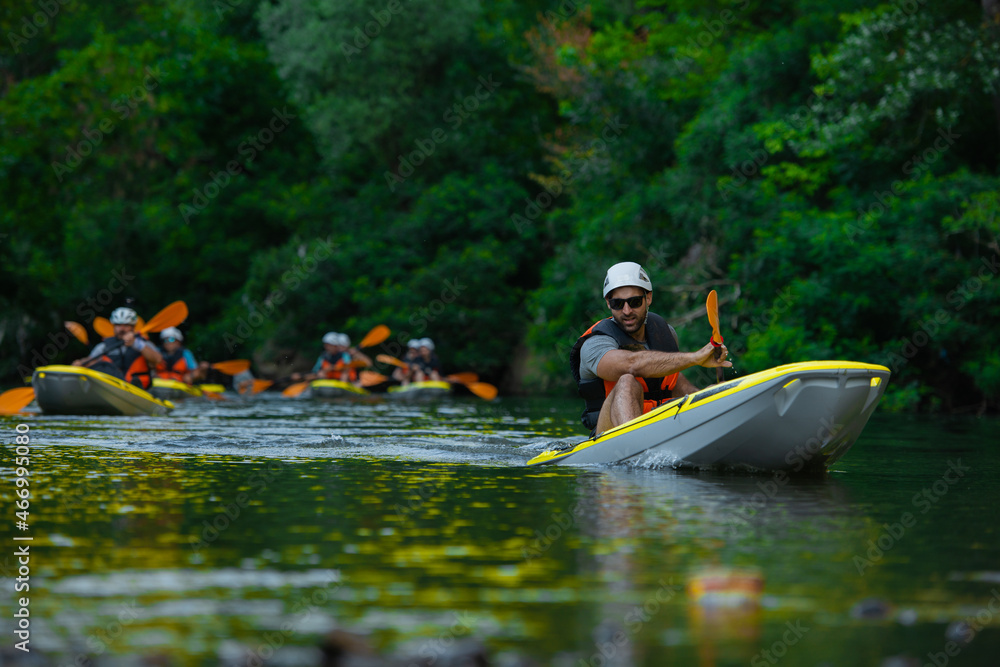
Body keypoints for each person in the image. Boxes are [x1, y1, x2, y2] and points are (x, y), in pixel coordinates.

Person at [569, 262, 731, 436]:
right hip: (606, 435)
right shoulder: (595, 344)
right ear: (608, 303)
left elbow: (675, 385)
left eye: (635, 302)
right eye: (617, 303)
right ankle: (635, 446)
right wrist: (695, 358)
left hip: (656, 423)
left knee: (677, 378)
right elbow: (630, 364)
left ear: (648, 298)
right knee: (627, 381)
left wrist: (713, 397)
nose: (627, 310)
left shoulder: (666, 334)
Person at [72, 306, 164, 389]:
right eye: (118, 325)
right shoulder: (104, 346)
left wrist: (136, 344)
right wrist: (81, 363)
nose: (122, 329)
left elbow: (157, 360)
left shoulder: (143, 344)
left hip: (139, 391)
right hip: (112, 389)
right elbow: (91, 361)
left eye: (126, 325)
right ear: (114, 326)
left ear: (133, 327)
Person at [293, 332, 373, 385]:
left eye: (328, 345)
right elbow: (316, 372)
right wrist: (301, 375)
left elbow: (368, 363)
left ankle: (344, 386)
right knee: (321, 374)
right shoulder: (324, 356)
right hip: (328, 381)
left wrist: (356, 353)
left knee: (345, 372)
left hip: (346, 381)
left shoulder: (346, 355)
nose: (326, 347)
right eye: (326, 344)